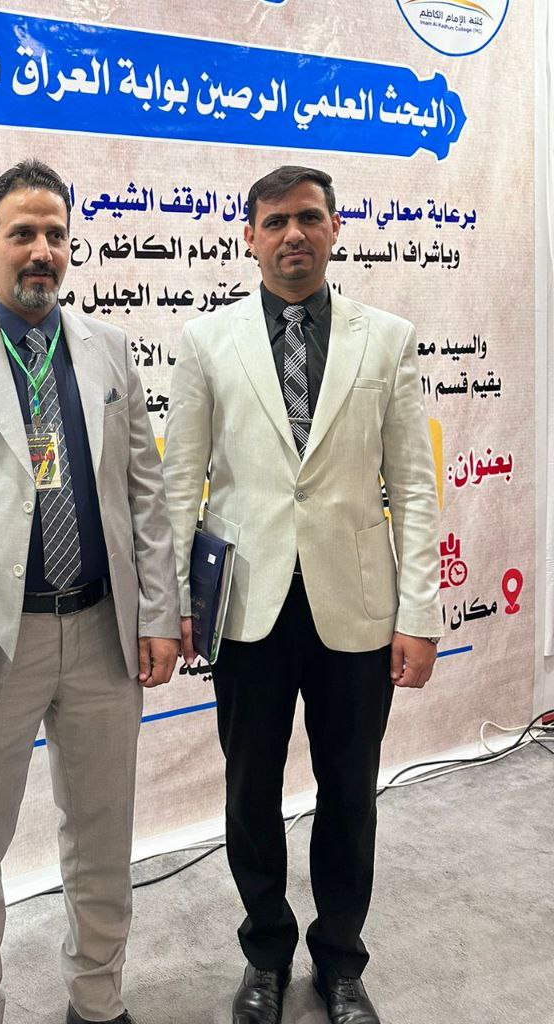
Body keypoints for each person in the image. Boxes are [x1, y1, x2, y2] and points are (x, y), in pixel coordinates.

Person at [0, 157, 184, 1024]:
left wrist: (159, 612)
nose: (42, 251)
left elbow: (144, 495)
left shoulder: (109, 348)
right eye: (23, 233)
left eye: (56, 234)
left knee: (102, 838)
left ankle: (98, 999)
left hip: (100, 635)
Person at [162, 165, 441, 1024]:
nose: (294, 234)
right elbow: (180, 483)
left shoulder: (386, 339)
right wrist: (177, 604)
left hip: (355, 606)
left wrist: (420, 613)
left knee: (350, 794)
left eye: (310, 218)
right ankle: (265, 955)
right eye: (276, 220)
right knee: (249, 794)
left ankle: (341, 962)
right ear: (248, 235)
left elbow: (414, 485)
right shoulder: (206, 341)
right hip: (246, 606)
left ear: (335, 228)